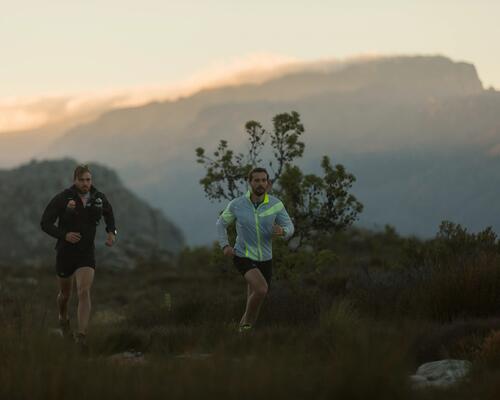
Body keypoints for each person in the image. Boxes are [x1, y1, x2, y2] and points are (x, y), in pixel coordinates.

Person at [41, 164, 117, 352]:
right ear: (75, 180)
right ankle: (62, 318)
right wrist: (64, 235)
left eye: (88, 180)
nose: (85, 183)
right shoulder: (63, 198)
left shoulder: (99, 197)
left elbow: (110, 214)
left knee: (84, 291)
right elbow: (45, 223)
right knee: (65, 295)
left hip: (86, 253)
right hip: (65, 252)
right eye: (82, 180)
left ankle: (81, 336)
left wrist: (111, 233)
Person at [216, 167, 294, 332]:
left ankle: (242, 335)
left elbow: (290, 226)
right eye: (256, 180)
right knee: (261, 289)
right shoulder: (237, 204)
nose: (260, 184)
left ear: (268, 183)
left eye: (263, 180)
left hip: (265, 258)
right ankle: (241, 330)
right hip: (243, 255)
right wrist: (225, 245)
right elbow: (221, 224)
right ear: (249, 182)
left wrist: (283, 231)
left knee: (255, 300)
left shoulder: (275, 204)